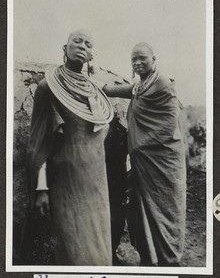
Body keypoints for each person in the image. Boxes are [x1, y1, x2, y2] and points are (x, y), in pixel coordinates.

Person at [27, 29, 114, 265]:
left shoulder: (95, 92)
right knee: (74, 251)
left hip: (97, 184)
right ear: (64, 49)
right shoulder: (48, 88)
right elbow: (39, 142)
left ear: (92, 56)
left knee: (100, 249)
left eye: (88, 43)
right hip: (66, 182)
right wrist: (41, 189)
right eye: (76, 41)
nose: (82, 46)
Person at [103, 42, 186, 266]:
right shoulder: (140, 86)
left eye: (142, 58)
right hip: (143, 163)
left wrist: (138, 145)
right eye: (133, 60)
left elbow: (168, 129)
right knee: (141, 209)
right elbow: (119, 90)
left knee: (166, 210)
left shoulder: (163, 84)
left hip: (163, 163)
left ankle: (169, 259)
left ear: (153, 59)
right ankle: (150, 258)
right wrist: (99, 86)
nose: (138, 63)